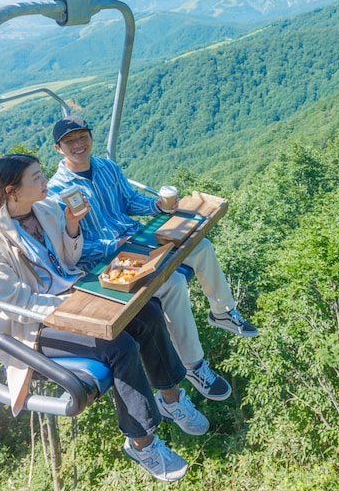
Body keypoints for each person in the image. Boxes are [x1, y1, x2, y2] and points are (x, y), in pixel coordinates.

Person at [0, 153, 209, 482]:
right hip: (36, 325)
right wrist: (69, 310)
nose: (45, 183)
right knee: (119, 346)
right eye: (37, 178)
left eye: (42, 175)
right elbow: (15, 301)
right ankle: (142, 442)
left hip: (73, 296)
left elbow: (70, 258)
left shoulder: (47, 209)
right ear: (13, 191)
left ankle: (170, 398)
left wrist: (71, 225)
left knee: (149, 312)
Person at [47, 115, 259, 403]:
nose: (78, 144)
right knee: (171, 283)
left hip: (137, 241)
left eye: (82, 136)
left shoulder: (107, 168)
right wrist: (114, 244)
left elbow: (129, 201)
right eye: (70, 141)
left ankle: (221, 311)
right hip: (107, 262)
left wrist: (156, 205)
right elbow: (71, 248)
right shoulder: (57, 192)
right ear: (59, 148)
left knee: (202, 246)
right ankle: (194, 365)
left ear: (91, 137)